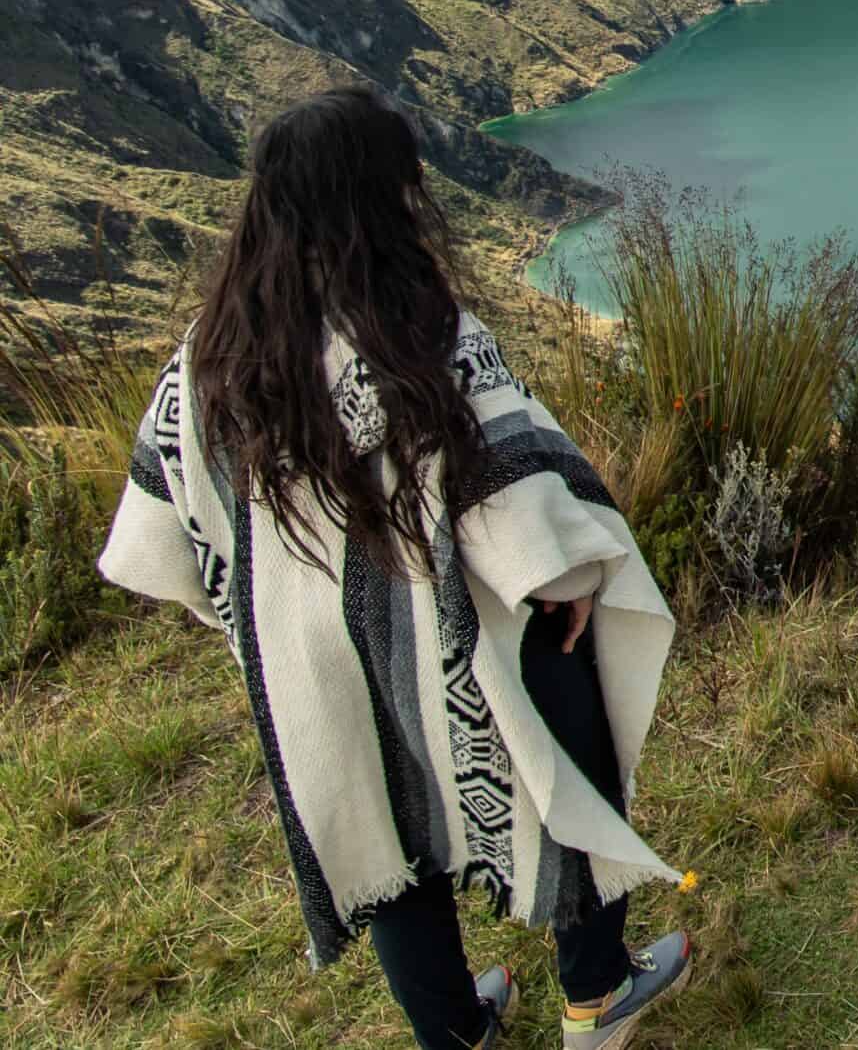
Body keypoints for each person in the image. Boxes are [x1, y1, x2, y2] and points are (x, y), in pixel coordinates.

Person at [99, 87, 693, 1050]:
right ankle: (595, 995)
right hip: (457, 646)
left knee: (383, 838)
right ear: (384, 200)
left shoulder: (202, 369)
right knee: (570, 766)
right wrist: (572, 587)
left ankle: (457, 1032)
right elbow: (513, 499)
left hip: (315, 668)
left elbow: (166, 528)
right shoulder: (421, 335)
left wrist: (260, 616)